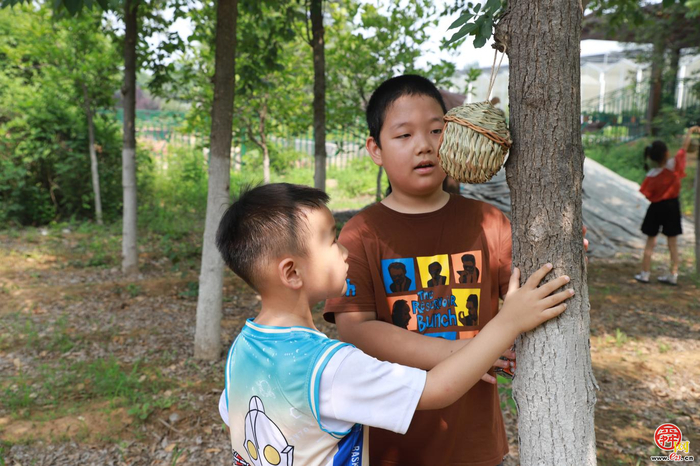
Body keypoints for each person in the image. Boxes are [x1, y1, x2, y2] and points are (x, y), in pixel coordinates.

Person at [323, 75, 587, 466]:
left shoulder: (488, 221)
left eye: (435, 130)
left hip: (475, 440)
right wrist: (462, 351)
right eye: (403, 135)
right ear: (375, 149)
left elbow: (528, 291)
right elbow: (356, 328)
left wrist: (563, 250)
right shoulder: (361, 233)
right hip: (391, 443)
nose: (424, 146)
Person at [216, 182, 572, 466]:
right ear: (292, 273)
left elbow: (235, 413)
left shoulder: (242, 352)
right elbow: (436, 390)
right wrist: (508, 322)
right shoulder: (330, 367)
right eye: (332, 241)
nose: (344, 252)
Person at [634, 126, 699, 286]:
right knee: (672, 242)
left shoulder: (651, 175)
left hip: (655, 208)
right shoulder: (673, 166)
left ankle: (645, 273)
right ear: (666, 153)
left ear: (652, 157)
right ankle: (673, 274)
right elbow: (684, 148)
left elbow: (646, 193)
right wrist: (690, 132)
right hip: (672, 207)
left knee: (650, 240)